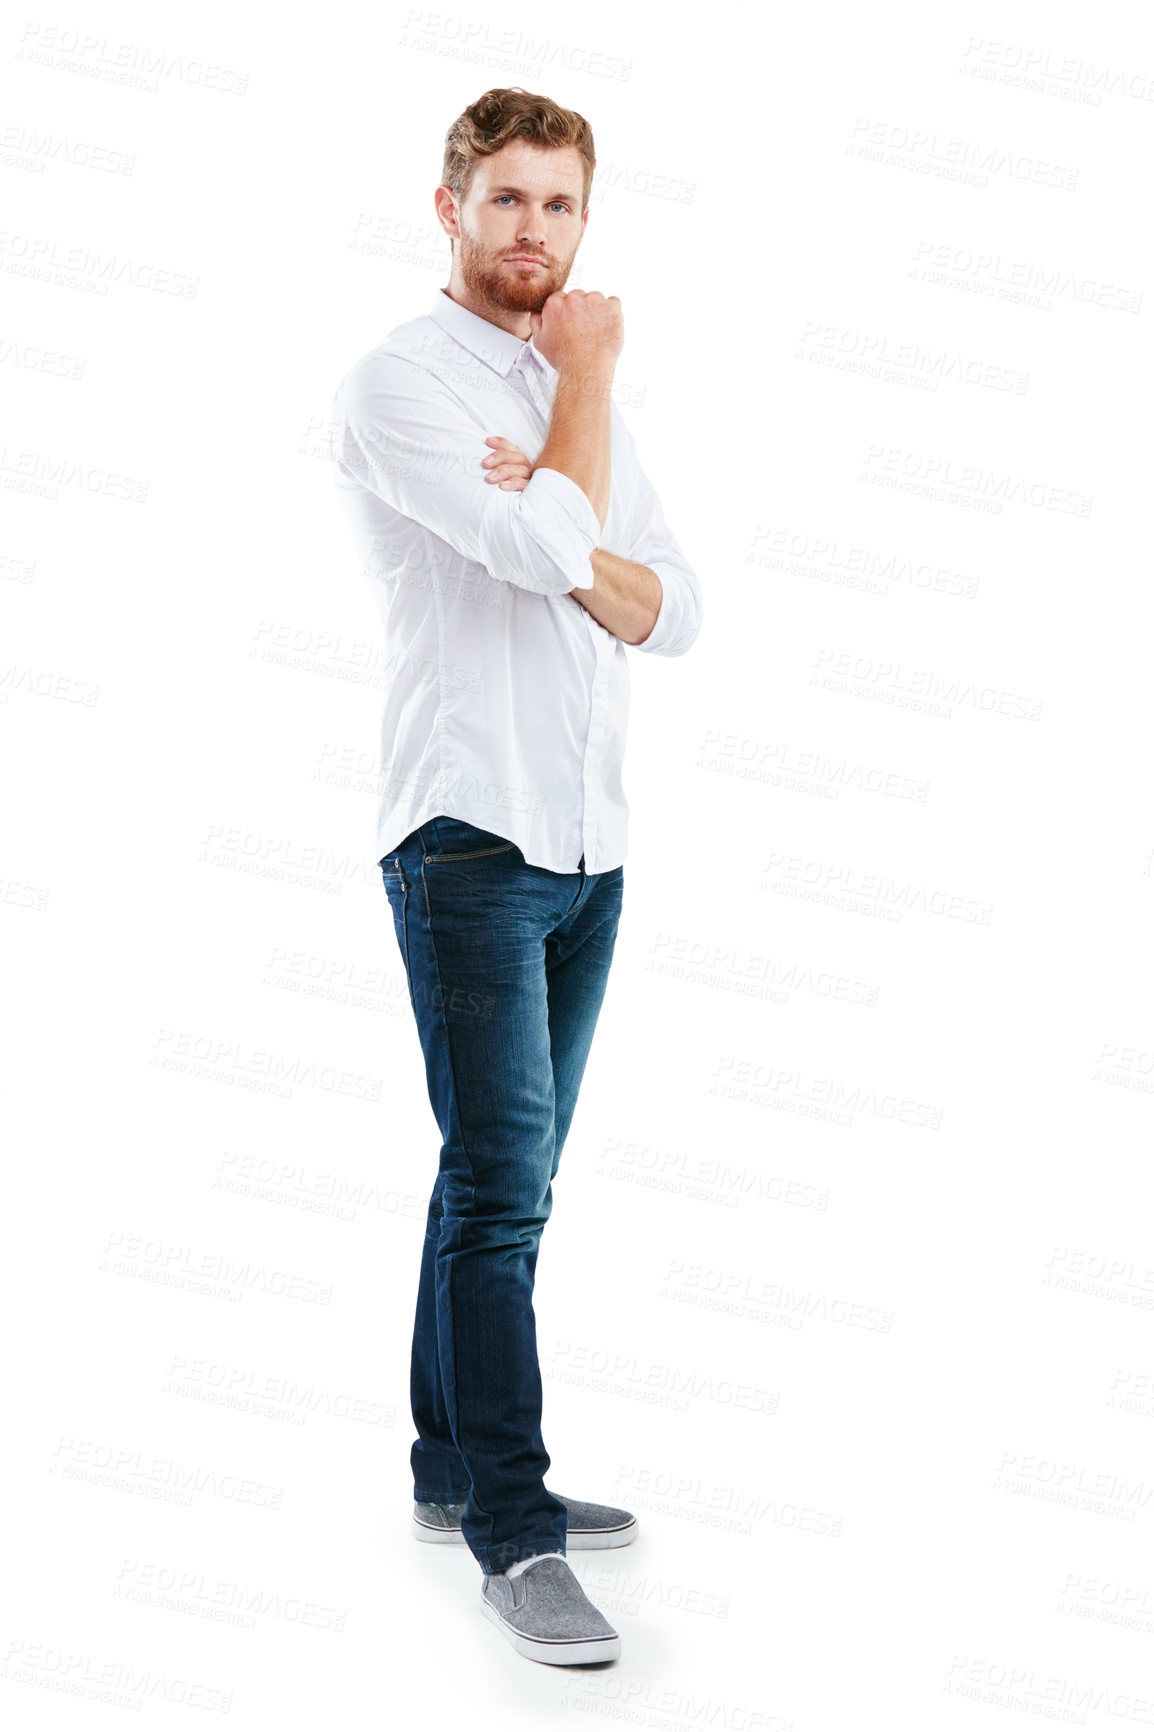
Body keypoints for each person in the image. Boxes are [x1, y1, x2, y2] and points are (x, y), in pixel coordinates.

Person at [329, 86, 703, 1666]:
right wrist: (593, 385)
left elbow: (668, 609)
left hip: (587, 841)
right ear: (449, 210)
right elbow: (549, 551)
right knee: (499, 1193)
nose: (532, 232)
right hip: (471, 836)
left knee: (495, 1181)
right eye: (506, 203)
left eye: (558, 206)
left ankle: (447, 1462)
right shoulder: (402, 381)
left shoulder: (557, 391)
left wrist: (563, 491)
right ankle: (514, 1527)